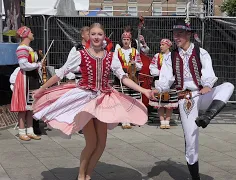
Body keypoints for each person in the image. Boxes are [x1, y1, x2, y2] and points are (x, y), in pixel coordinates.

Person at [32, 23, 151, 180]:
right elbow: (61, 73)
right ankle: (81, 176)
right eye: (93, 34)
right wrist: (42, 89)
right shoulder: (80, 55)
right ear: (89, 36)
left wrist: (144, 91)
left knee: (101, 144)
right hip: (85, 100)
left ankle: (88, 175)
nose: (96, 37)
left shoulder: (111, 56)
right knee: (92, 143)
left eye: (99, 34)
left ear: (104, 36)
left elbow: (123, 77)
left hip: (103, 100)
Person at [151, 19, 234, 180]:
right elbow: (166, 79)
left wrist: (208, 84)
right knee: (191, 138)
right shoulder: (171, 56)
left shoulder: (201, 52)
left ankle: (207, 117)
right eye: (175, 34)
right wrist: (158, 88)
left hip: (202, 94)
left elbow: (208, 73)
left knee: (228, 86)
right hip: (186, 98)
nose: (177, 37)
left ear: (189, 34)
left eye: (180, 33)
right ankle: (195, 177)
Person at [10, 26, 42, 141]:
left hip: (32, 78)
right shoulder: (22, 48)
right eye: (31, 32)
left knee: (30, 107)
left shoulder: (28, 48)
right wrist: (36, 65)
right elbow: (23, 64)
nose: (33, 33)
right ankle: (22, 131)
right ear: (26, 34)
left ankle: (30, 130)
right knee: (23, 107)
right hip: (24, 79)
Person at [113, 32, 143, 129]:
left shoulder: (134, 51)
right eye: (124, 39)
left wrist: (134, 64)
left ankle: (131, 118)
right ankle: (123, 119)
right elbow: (114, 65)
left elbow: (140, 65)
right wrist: (121, 73)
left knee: (133, 99)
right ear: (121, 40)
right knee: (122, 99)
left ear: (130, 40)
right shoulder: (117, 51)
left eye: (127, 39)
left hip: (132, 77)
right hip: (121, 77)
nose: (125, 41)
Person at [149, 38, 178, 129]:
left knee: (169, 103)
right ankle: (162, 121)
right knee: (160, 102)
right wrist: (158, 72)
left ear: (168, 46)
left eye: (163, 45)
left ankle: (167, 121)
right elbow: (152, 66)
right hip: (159, 81)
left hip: (171, 81)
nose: (161, 46)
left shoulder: (173, 56)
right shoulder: (157, 56)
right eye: (160, 45)